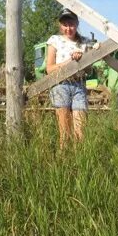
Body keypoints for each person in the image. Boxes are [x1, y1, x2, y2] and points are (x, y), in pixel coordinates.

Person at [45, 8, 91, 148]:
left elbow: (89, 70)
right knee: (65, 133)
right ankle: (63, 161)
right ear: (60, 25)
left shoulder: (85, 42)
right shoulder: (55, 40)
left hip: (79, 85)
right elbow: (50, 69)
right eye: (65, 25)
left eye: (71, 24)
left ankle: (79, 163)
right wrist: (70, 62)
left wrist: (82, 61)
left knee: (80, 133)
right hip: (61, 85)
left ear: (77, 24)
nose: (68, 28)